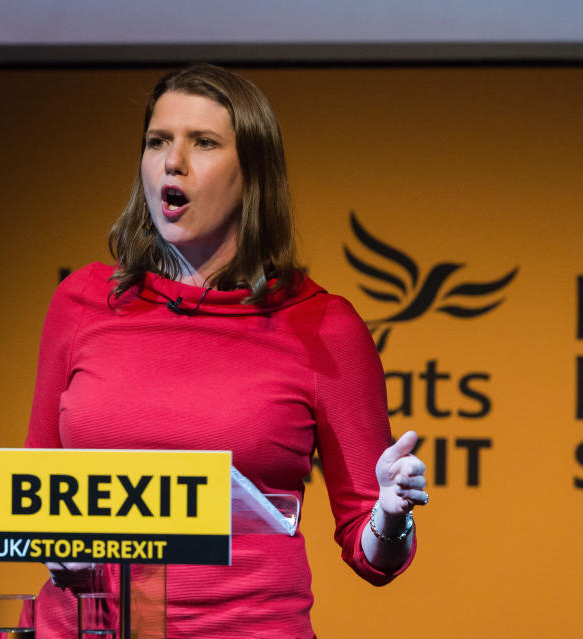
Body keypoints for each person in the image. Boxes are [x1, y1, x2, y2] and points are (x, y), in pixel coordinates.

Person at [25, 63, 428, 639]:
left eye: (204, 143)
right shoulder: (83, 301)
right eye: (158, 141)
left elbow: (374, 556)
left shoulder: (322, 327)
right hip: (80, 627)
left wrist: (389, 516)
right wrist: (51, 543)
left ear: (253, 175)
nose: (173, 161)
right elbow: (35, 484)